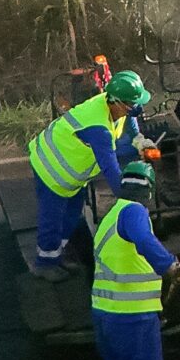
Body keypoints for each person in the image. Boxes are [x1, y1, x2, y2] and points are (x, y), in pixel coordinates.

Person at [92, 161, 180, 360]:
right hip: (132, 315)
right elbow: (144, 241)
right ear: (150, 191)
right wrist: (170, 266)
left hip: (105, 312)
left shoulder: (110, 216)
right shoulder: (134, 212)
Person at [28, 70, 154, 277]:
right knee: (53, 216)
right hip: (50, 169)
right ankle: (44, 265)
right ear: (117, 102)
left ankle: (56, 254)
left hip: (71, 171)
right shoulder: (99, 129)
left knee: (72, 212)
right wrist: (126, 199)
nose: (137, 108)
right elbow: (110, 168)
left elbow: (130, 123)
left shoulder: (112, 105)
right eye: (133, 103)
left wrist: (138, 139)